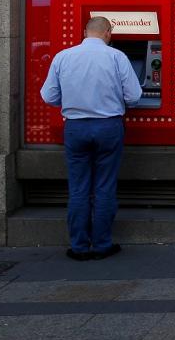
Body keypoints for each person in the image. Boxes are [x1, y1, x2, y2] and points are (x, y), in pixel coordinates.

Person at [40, 16, 142, 261]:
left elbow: (48, 96)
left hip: (75, 127)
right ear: (108, 33)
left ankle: (78, 246)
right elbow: (135, 96)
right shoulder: (117, 57)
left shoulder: (63, 57)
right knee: (104, 186)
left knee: (78, 188)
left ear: (85, 31)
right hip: (108, 126)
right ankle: (102, 244)